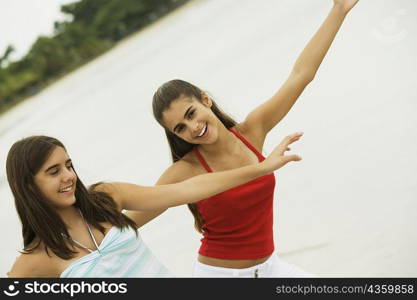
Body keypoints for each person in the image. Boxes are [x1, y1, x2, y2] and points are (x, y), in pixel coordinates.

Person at [140, 0, 359, 277]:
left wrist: (339, 9)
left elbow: (301, 75)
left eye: (192, 113)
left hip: (270, 268)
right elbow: (129, 222)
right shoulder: (184, 171)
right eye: (180, 128)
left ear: (205, 99)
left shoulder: (253, 131)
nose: (193, 128)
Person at [6, 133, 302, 277]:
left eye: (68, 165)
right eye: (53, 171)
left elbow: (188, 189)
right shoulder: (37, 258)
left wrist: (261, 169)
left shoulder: (106, 200)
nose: (68, 176)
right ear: (28, 185)